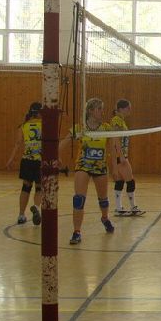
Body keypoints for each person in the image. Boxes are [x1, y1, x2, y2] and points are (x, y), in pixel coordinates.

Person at [58, 98, 116, 245]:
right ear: (90, 111)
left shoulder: (106, 128)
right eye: (99, 109)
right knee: (79, 199)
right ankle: (76, 232)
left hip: (100, 167)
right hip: (83, 166)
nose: (102, 112)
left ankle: (105, 218)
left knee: (103, 199)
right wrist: (56, 155)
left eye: (102, 109)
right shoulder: (80, 128)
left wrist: (114, 169)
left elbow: (113, 149)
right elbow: (63, 142)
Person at [6, 102, 43, 225]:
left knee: (26, 187)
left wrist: (11, 159)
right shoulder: (44, 125)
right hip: (40, 161)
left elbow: (17, 144)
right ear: (39, 113)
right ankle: (36, 207)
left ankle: (21, 215)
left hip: (27, 160)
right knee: (39, 187)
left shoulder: (23, 126)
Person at [110, 99, 142, 216]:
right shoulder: (116, 120)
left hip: (120, 155)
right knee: (130, 181)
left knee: (120, 181)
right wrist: (121, 155)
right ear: (121, 109)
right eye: (128, 107)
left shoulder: (121, 120)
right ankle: (133, 207)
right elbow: (115, 139)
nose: (130, 110)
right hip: (120, 156)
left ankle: (119, 208)